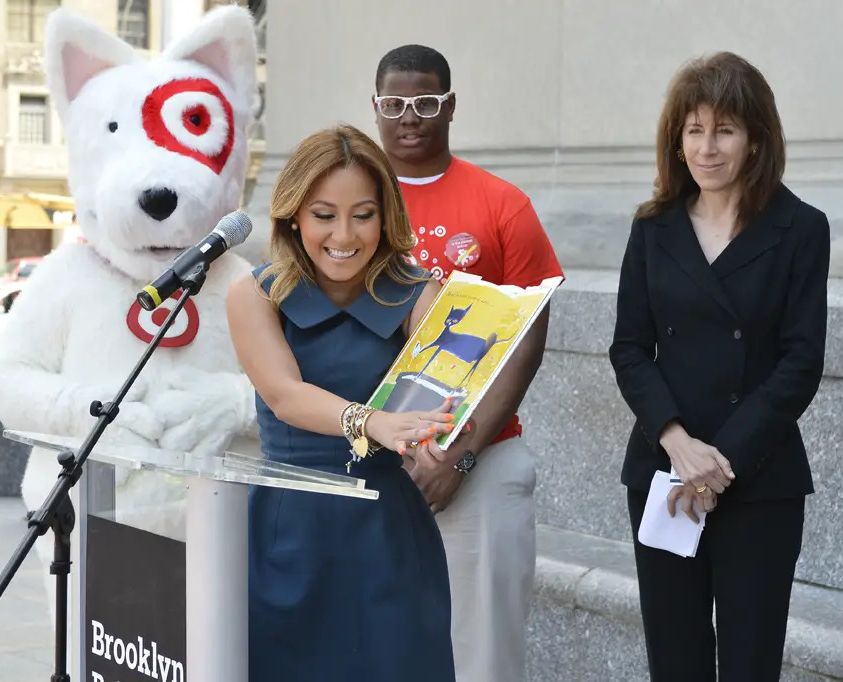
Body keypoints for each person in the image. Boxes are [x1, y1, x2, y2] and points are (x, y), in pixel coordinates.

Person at [609, 51, 829, 682]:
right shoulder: (653, 228)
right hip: (664, 473)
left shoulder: (801, 228)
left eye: (725, 129)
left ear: (756, 138)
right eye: (694, 130)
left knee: (749, 662)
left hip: (759, 478)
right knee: (674, 661)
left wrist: (718, 464)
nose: (708, 148)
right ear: (677, 141)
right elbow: (629, 348)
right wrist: (680, 445)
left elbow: (800, 361)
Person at [226, 124, 456, 682]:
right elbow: (284, 396)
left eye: (364, 214)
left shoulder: (421, 293)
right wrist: (372, 421)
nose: (344, 234)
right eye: (324, 214)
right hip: (289, 528)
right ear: (294, 216)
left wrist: (440, 443)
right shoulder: (255, 294)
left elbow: (438, 400)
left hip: (385, 530)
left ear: (386, 217)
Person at [372, 44, 564, 682]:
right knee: (375, 648)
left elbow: (526, 340)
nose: (410, 117)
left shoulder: (501, 203)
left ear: (450, 106)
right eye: (394, 104)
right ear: (375, 109)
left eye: (425, 103)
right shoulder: (347, 205)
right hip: (370, 454)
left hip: (479, 461)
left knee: (482, 656)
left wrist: (461, 452)